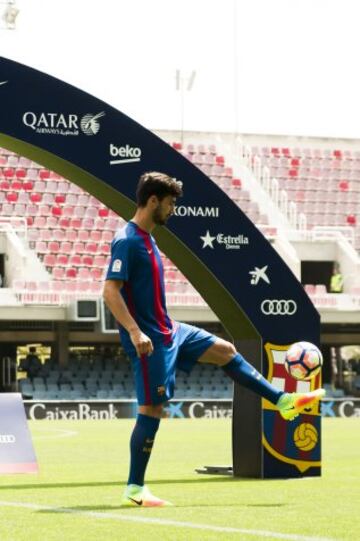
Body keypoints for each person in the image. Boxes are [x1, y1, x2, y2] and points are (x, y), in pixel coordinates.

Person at [103, 171, 325, 507]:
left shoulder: (149, 239)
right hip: (151, 340)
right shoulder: (128, 240)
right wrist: (135, 332)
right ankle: (134, 488)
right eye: (170, 203)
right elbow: (109, 291)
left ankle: (281, 400)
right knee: (152, 407)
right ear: (152, 201)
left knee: (225, 350)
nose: (173, 209)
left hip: (171, 330)